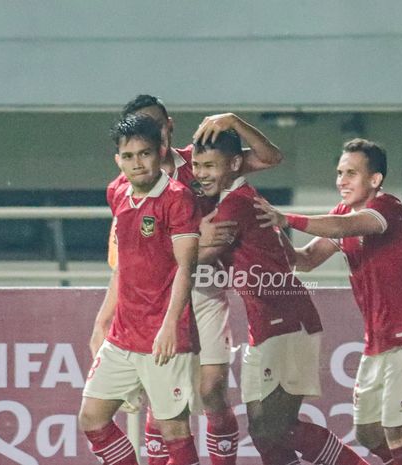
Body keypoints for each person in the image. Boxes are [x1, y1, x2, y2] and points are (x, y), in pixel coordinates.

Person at [96, 94, 285, 465]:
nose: (154, 133)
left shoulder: (199, 163)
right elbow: (130, 260)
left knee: (212, 390)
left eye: (158, 124)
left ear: (169, 125)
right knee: (161, 400)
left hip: (204, 287)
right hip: (155, 297)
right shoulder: (126, 186)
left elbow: (270, 158)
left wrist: (234, 121)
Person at [254, 138, 402, 465]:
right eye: (339, 172)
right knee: (369, 431)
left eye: (351, 173)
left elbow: (345, 227)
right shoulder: (343, 210)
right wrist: (270, 232)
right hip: (377, 341)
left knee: (398, 432)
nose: (341, 180)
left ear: (375, 180)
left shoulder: (387, 209)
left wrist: (286, 218)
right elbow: (306, 258)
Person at [192, 130, 370, 465]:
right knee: (263, 433)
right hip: (267, 326)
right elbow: (292, 260)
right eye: (197, 166)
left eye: (210, 166)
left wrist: (149, 255)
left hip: (287, 323)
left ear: (233, 164)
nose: (201, 174)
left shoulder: (235, 204)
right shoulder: (243, 199)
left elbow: (193, 256)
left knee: (276, 428)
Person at [78, 113, 202, 465]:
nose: (137, 163)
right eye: (128, 157)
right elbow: (124, 266)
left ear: (160, 152)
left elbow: (185, 267)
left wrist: (169, 326)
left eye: (144, 154)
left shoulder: (178, 198)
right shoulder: (116, 192)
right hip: (123, 336)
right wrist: (102, 322)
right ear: (118, 159)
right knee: (92, 418)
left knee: (174, 433)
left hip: (165, 338)